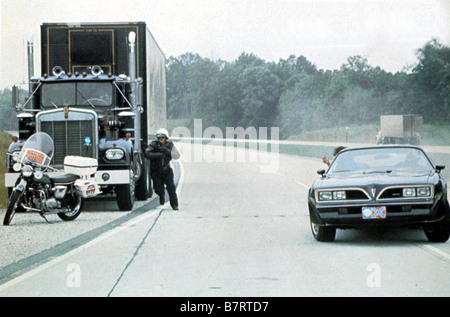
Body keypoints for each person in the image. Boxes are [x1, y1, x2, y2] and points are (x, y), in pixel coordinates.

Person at [144, 128, 180, 210]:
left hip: (166, 170)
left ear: (166, 138)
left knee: (171, 188)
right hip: (156, 170)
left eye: (162, 138)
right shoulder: (153, 144)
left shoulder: (170, 145)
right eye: (159, 138)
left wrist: (166, 151)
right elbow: (147, 153)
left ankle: (174, 204)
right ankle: (161, 194)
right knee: (158, 188)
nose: (161, 139)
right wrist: (160, 154)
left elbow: (177, 155)